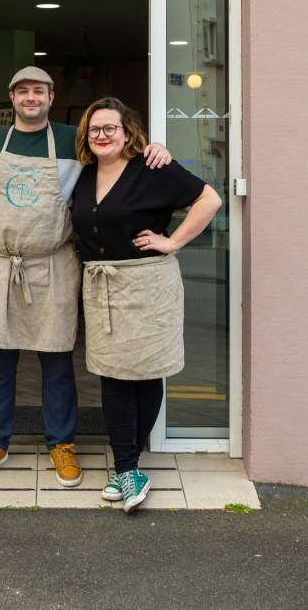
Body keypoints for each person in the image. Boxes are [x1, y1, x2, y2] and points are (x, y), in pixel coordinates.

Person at [0, 67, 171, 487]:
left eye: (39, 90)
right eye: (23, 91)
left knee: (57, 362)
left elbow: (118, 159)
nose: (30, 97)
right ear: (12, 97)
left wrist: (154, 149)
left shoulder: (75, 141)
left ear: (51, 97)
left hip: (53, 265)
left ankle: (62, 443)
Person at [72, 96, 221, 513]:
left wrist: (172, 241)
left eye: (110, 128)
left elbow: (209, 199)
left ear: (127, 132)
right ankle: (127, 467)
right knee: (113, 374)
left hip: (148, 285)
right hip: (103, 285)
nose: (102, 136)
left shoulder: (152, 167)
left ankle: (127, 467)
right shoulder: (84, 174)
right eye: (94, 129)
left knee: (145, 372)